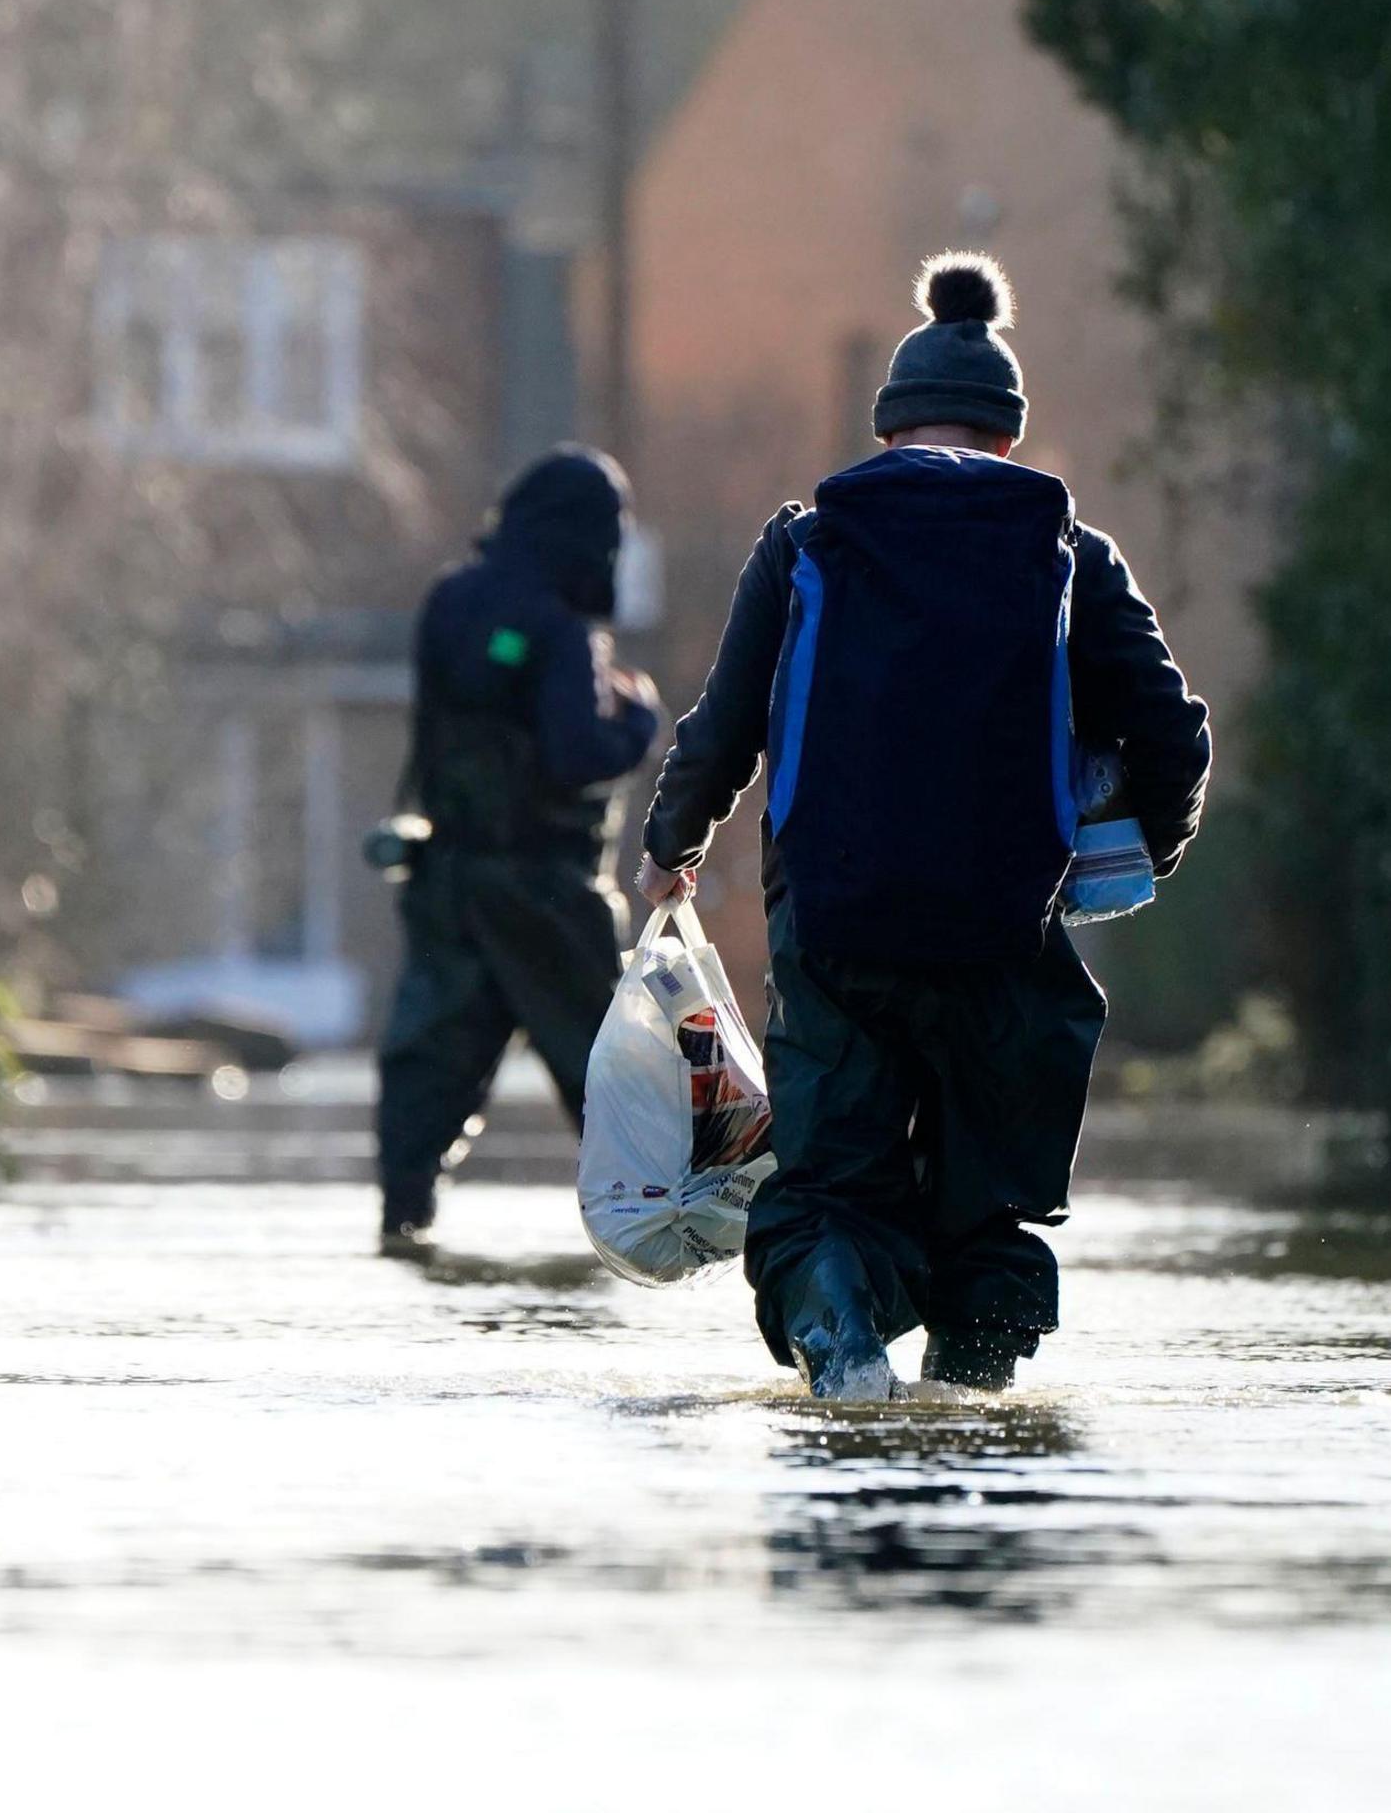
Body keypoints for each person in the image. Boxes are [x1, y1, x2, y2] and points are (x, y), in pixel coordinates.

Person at [635, 254, 1208, 1398]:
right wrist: (1133, 855)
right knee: (986, 1203)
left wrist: (673, 844)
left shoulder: (808, 545)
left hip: (836, 928)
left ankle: (839, 1330)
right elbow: (1173, 730)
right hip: (1003, 932)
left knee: (829, 1183)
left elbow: (726, 722)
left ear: (887, 428)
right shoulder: (1069, 557)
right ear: (1011, 439)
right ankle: (972, 1408)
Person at [375, 445, 665, 1256]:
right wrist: (637, 721)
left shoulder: (449, 601)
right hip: (545, 890)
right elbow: (577, 755)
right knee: (606, 1073)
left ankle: (402, 1223)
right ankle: (651, 1233)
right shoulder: (558, 627)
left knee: (426, 1067)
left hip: (445, 878)